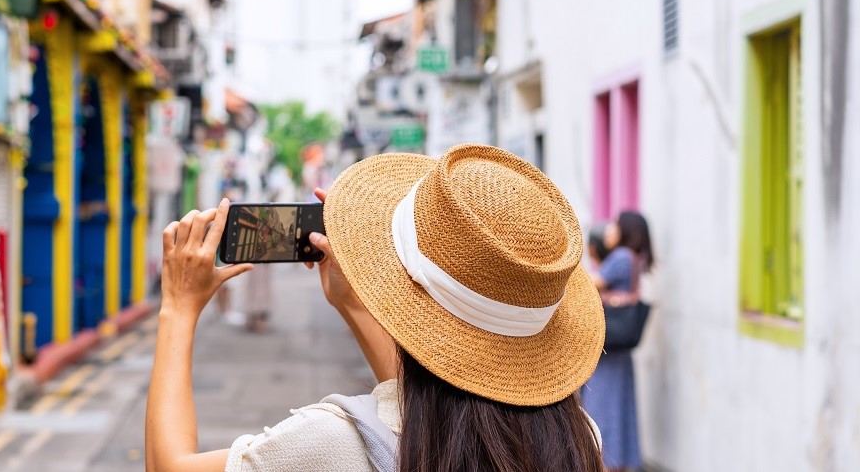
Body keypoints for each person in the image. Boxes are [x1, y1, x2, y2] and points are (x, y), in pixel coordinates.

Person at [145, 145, 605, 471]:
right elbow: (418, 396)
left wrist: (178, 309)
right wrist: (350, 301)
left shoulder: (335, 446)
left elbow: (169, 466)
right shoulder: (577, 437)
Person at [583, 210, 654, 471]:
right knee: (618, 410)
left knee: (602, 409)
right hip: (619, 351)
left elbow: (589, 282)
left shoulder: (622, 257)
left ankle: (604, 463)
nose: (609, 229)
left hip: (607, 351)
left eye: (614, 224)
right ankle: (619, 462)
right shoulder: (635, 258)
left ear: (626, 230)